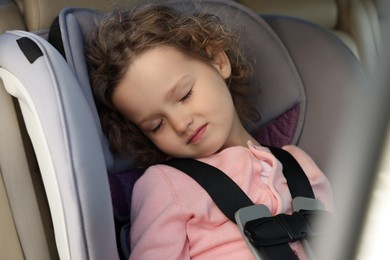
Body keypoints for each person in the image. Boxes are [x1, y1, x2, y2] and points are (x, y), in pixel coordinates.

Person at [85, 3, 333, 260]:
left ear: (217, 60)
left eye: (185, 95)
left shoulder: (298, 165)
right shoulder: (165, 185)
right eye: (156, 125)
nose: (181, 124)